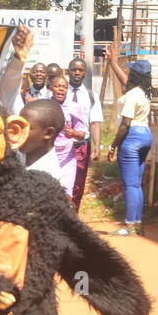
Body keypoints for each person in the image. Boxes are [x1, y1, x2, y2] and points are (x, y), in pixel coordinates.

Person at [106, 60, 154, 236]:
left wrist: (112, 146)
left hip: (132, 136)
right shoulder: (143, 92)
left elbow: (125, 123)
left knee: (130, 185)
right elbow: (125, 81)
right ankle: (137, 224)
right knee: (136, 184)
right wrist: (112, 63)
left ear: (134, 75)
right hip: (146, 135)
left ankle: (129, 226)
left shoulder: (132, 94)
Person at [66, 56, 104, 207]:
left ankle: (73, 219)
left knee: (78, 184)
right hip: (62, 146)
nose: (76, 72)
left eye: (80, 70)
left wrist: (97, 146)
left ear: (85, 73)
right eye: (73, 69)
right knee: (61, 182)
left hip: (81, 146)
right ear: (68, 72)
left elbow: (94, 123)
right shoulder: (58, 91)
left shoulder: (91, 96)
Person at [49, 75, 87, 197]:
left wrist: (74, 134)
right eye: (57, 86)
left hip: (67, 156)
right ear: (51, 88)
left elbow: (82, 134)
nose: (61, 89)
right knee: (49, 193)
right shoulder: (45, 106)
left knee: (67, 193)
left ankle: (65, 215)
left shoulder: (74, 107)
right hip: (48, 155)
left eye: (64, 87)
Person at [19, 97, 66, 184]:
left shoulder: (52, 180)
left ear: (48, 133)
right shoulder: (15, 158)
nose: (17, 133)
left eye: (24, 128)